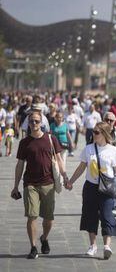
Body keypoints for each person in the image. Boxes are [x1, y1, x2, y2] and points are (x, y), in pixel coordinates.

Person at [65, 122, 116, 259]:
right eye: (93, 131)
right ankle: (93, 245)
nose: (93, 134)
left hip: (107, 188)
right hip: (90, 187)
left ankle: (107, 246)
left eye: (96, 132)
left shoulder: (112, 150)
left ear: (104, 134)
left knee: (107, 215)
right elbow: (81, 168)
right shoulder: (88, 149)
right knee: (90, 216)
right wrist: (71, 181)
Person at [12, 110, 68, 259]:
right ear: (28, 123)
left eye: (37, 121)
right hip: (30, 183)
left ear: (42, 123)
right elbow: (20, 165)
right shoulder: (24, 142)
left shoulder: (51, 139)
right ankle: (33, 247)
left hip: (48, 183)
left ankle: (44, 238)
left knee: (49, 218)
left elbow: (59, 159)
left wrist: (65, 176)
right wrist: (15, 186)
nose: (34, 124)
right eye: (31, 121)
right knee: (32, 215)